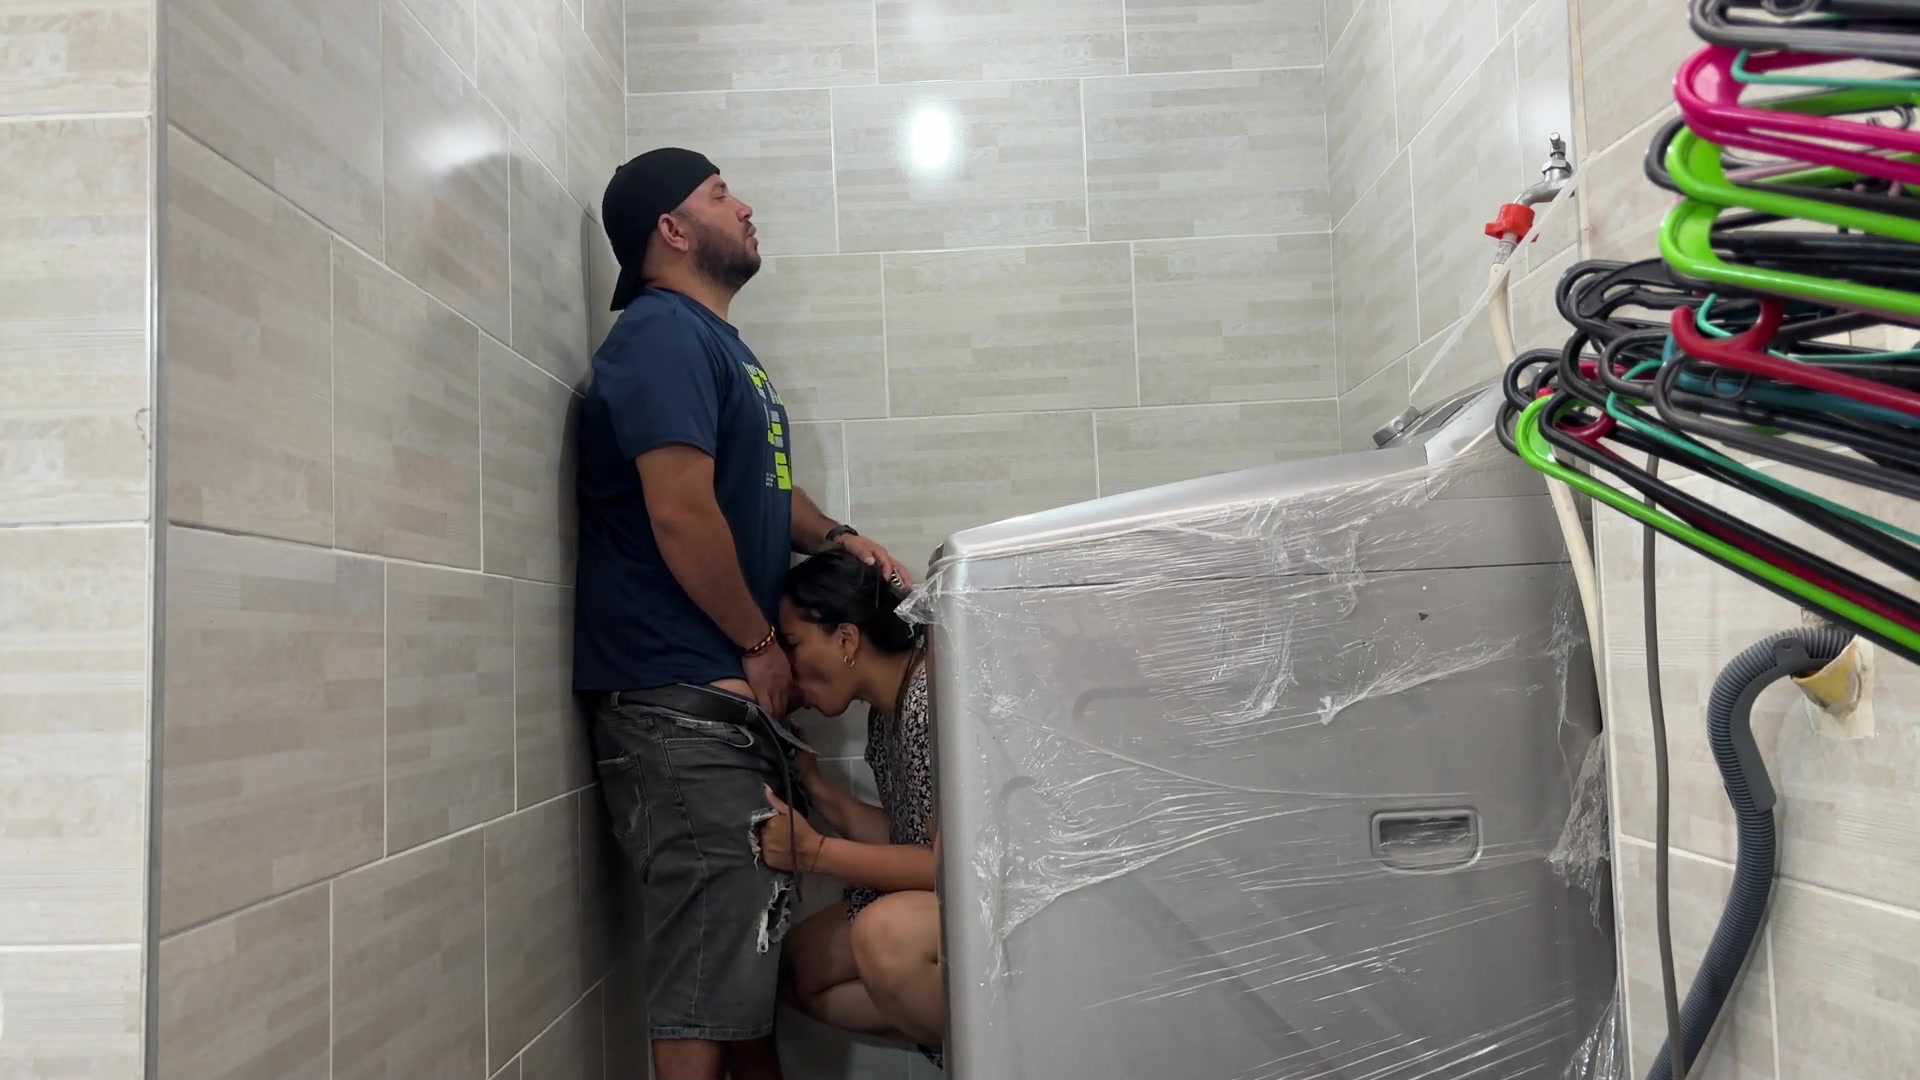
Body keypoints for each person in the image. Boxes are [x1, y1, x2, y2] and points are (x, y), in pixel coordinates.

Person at [575, 147, 911, 1080]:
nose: (746, 206)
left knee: (741, 955)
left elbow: (759, 489)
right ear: (673, 231)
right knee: (708, 959)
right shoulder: (660, 337)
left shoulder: (720, 349)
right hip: (678, 700)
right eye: (721, 195)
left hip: (716, 710)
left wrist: (836, 535)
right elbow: (681, 512)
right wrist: (759, 641)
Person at [756, 550, 946, 1065]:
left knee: (885, 936)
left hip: (997, 903)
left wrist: (814, 853)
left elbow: (944, 867)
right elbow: (908, 837)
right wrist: (817, 787)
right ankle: (965, 1040)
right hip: (953, 897)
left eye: (793, 644)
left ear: (845, 640)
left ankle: (1003, 1053)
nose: (787, 668)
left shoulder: (929, 700)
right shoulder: (887, 713)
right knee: (797, 972)